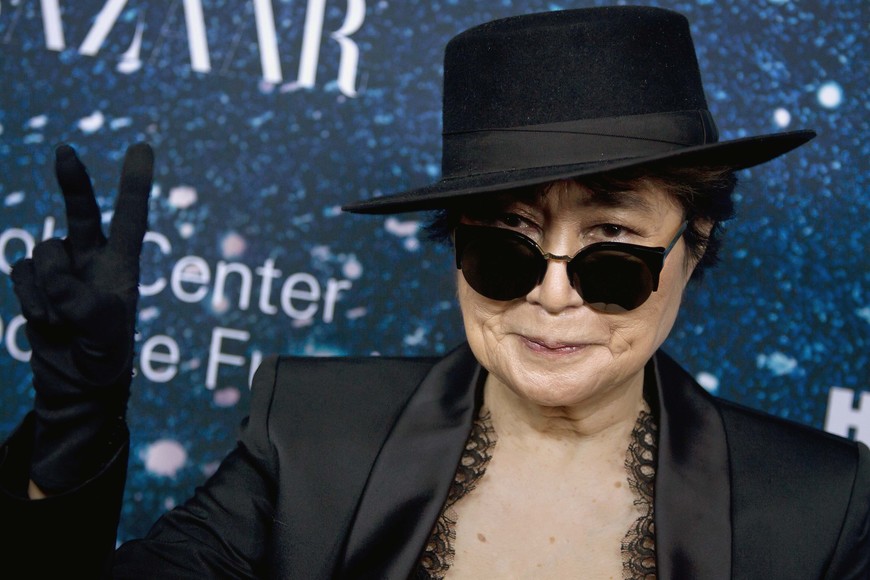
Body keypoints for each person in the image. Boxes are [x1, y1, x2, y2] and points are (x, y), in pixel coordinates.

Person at [1, 6, 868, 579]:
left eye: (612, 251)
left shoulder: (820, 510)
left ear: (694, 244)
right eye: (506, 248)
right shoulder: (307, 435)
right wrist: (74, 436)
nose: (553, 297)